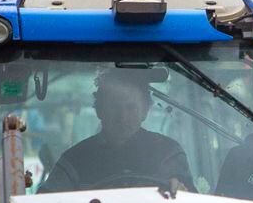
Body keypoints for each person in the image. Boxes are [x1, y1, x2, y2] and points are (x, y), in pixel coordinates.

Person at [42, 70, 192, 193]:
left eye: (131, 107)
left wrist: (181, 191)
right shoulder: (74, 161)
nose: (123, 117)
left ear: (145, 110)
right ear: (99, 110)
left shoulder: (168, 154)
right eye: (114, 107)